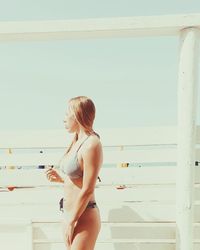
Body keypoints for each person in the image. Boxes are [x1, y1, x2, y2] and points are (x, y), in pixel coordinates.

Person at [46, 96, 103, 250]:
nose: (64, 119)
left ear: (77, 115)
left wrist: (71, 221)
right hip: (69, 215)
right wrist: (61, 180)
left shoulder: (92, 144)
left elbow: (88, 188)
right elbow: (78, 181)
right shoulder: (76, 141)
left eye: (67, 114)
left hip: (83, 217)